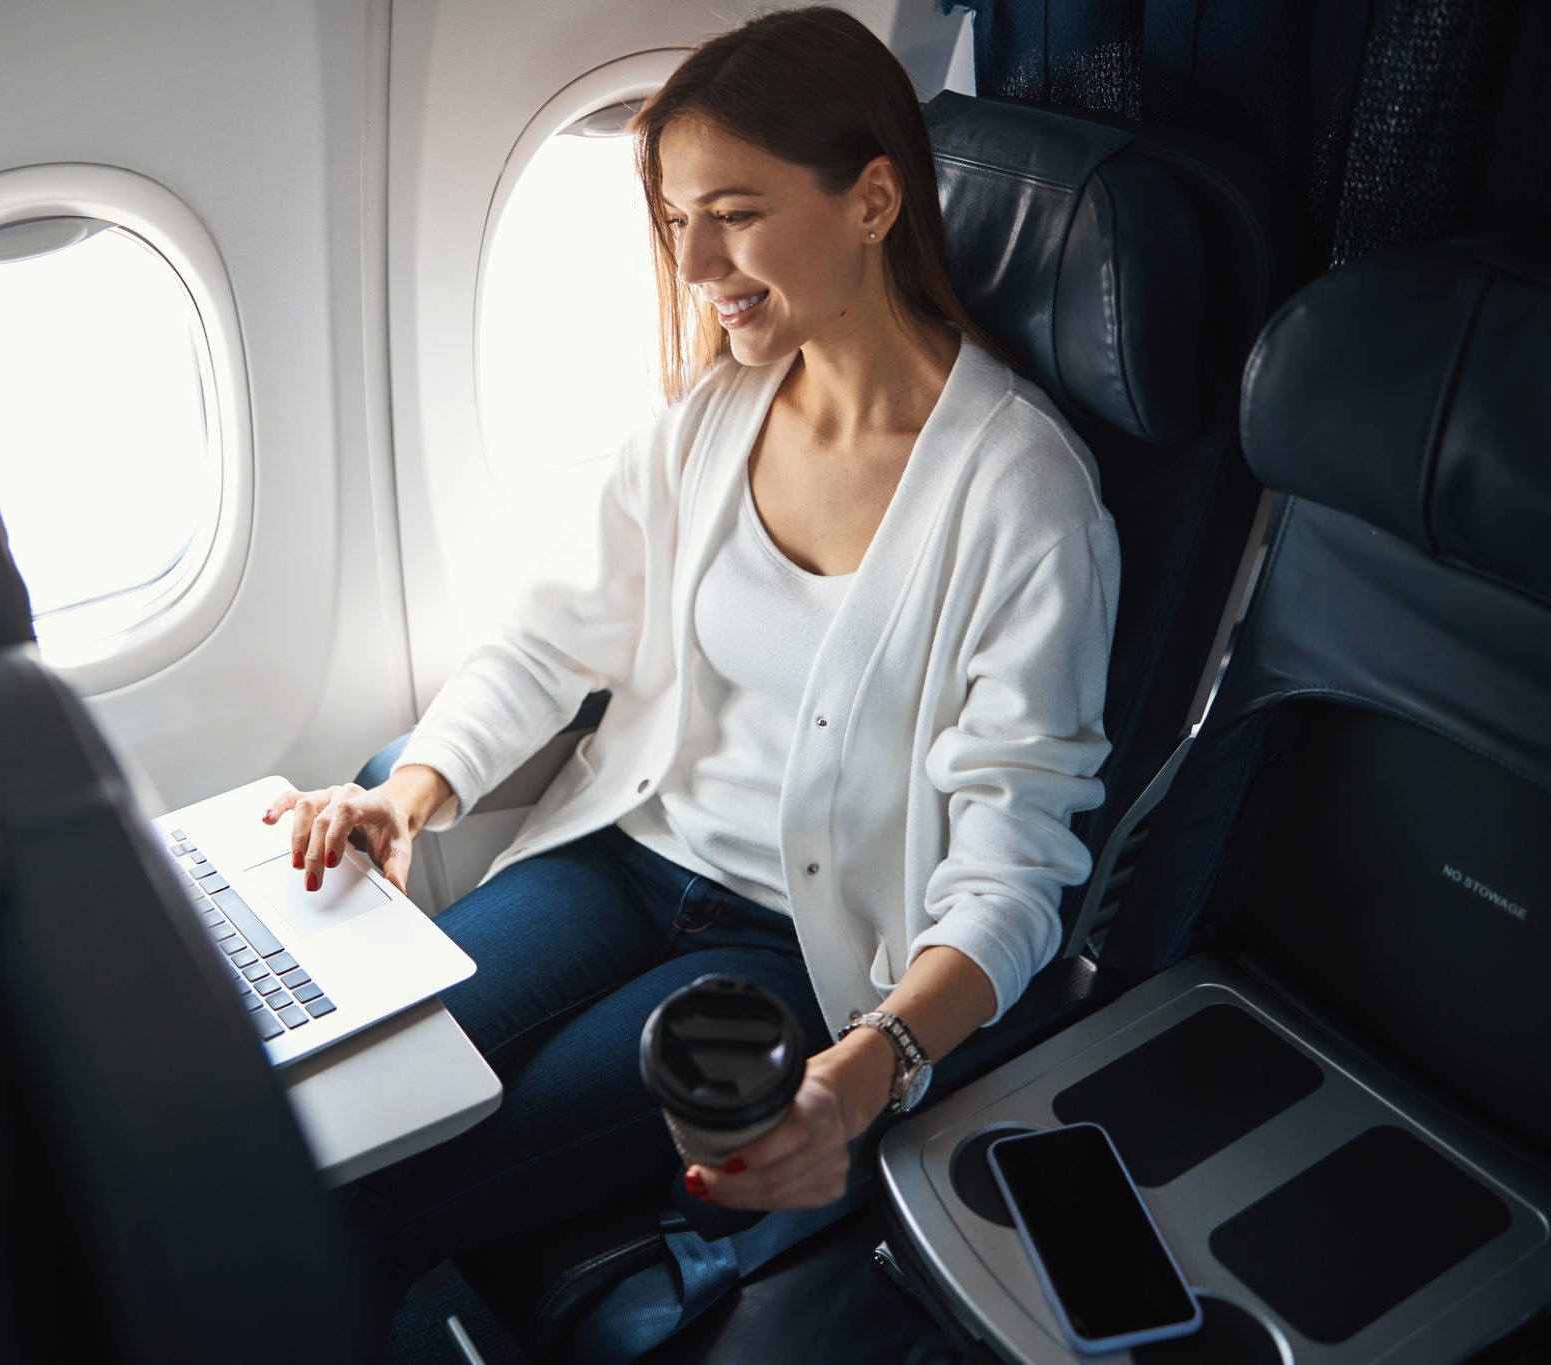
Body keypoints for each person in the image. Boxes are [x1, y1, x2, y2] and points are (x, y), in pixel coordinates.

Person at [266, 2, 1120, 1334]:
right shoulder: (716, 413)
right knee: (332, 1107)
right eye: (675, 219)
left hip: (786, 949)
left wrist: (873, 1063)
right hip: (611, 860)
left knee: (403, 1187)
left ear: (874, 200)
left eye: (735, 211)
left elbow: (1017, 869)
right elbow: (552, 640)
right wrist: (411, 793)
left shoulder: (1025, 500)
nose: (695, 259)